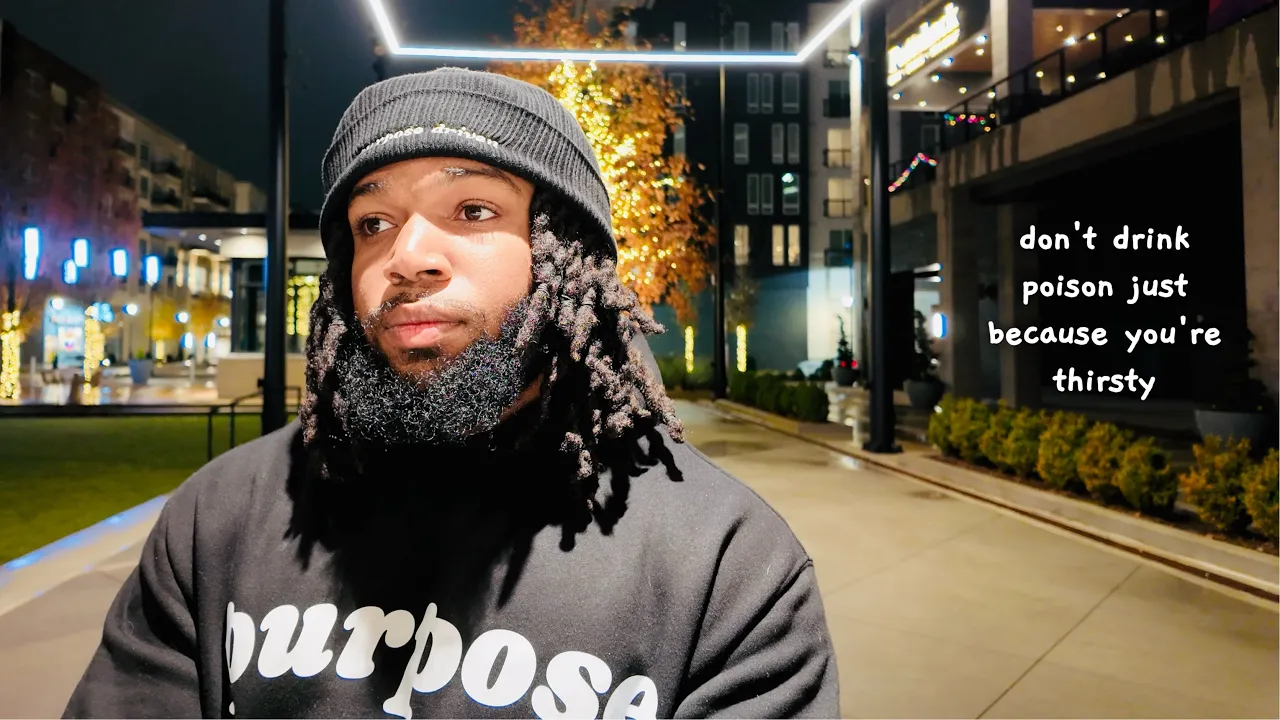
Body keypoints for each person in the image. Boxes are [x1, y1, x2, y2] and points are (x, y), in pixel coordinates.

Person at [64, 67, 839, 720]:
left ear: (563, 254)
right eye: (373, 222)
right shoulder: (219, 519)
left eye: (472, 210)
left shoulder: (725, 565)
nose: (407, 256)